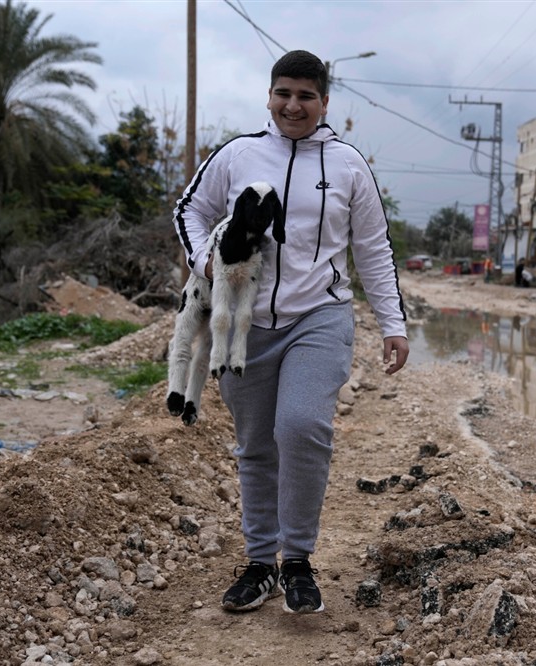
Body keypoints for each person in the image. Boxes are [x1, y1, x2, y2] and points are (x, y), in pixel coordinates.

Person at [173, 50, 409, 615]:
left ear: (324, 102)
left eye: (306, 96)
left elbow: (373, 248)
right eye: (284, 93)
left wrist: (393, 323)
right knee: (255, 445)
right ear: (269, 96)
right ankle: (261, 566)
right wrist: (210, 266)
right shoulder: (236, 155)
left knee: (301, 426)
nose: (293, 105)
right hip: (244, 324)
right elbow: (189, 213)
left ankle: (298, 561)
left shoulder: (349, 165)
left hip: (319, 317)